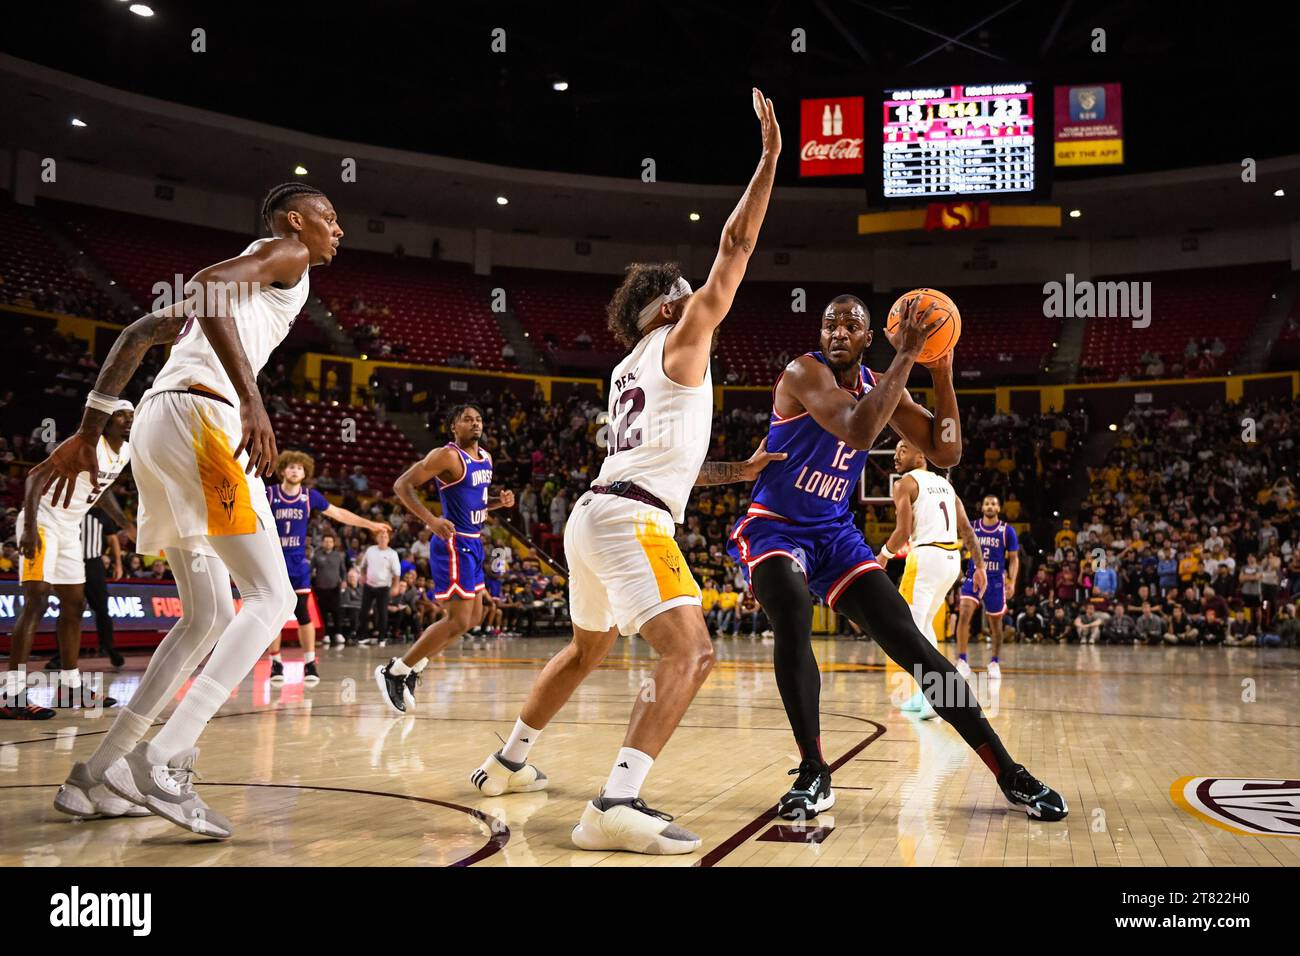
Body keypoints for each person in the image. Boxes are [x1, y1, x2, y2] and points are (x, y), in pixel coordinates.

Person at [470, 89, 785, 855]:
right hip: (630, 518)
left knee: (587, 650)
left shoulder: (628, 366)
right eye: (684, 290)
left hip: (599, 512)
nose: (697, 294)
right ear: (667, 306)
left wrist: (731, 472)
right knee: (694, 653)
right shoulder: (683, 337)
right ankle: (616, 801)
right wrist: (770, 159)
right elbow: (736, 248)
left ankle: (506, 762)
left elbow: (662, 459)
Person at [40, 181, 342, 836]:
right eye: (328, 217)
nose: (337, 229)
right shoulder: (285, 254)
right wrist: (252, 398)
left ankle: (97, 774)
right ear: (296, 222)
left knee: (207, 613)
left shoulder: (250, 285)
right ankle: (166, 756)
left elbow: (140, 332)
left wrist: (90, 431)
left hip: (155, 421)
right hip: (205, 416)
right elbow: (205, 282)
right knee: (273, 599)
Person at [727, 294, 1065, 825]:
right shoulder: (803, 373)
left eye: (851, 325)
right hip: (776, 526)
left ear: (868, 338)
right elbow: (860, 429)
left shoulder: (883, 384)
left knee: (909, 640)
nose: (839, 332)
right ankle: (814, 770)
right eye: (830, 324)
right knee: (791, 608)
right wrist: (907, 355)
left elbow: (947, 451)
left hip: (835, 535)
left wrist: (943, 368)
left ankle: (1008, 769)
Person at [374, 404, 514, 710]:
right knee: (457, 618)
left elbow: (475, 501)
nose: (475, 424)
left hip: (475, 541)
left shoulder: (486, 459)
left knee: (474, 618)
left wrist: (496, 504)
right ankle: (395, 671)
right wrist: (430, 520)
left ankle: (414, 666)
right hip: (453, 543)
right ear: (454, 426)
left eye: (479, 419)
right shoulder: (447, 455)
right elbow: (402, 485)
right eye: (467, 419)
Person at [8, 406, 133, 719]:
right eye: (121, 415)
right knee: (36, 601)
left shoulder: (125, 452)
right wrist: (28, 527)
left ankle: (69, 687)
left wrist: (123, 522)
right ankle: (11, 695)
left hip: (68, 528)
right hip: (43, 522)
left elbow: (100, 490)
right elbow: (34, 475)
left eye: (132, 414)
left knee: (75, 605)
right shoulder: (83, 443)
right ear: (105, 421)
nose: (129, 419)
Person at [881, 439, 983, 722]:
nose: (896, 455)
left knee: (908, 633)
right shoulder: (946, 485)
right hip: (951, 561)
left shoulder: (905, 483)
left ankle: (938, 697)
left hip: (925, 558)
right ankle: (926, 695)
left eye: (903, 449)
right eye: (896, 449)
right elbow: (966, 529)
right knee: (923, 626)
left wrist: (883, 555)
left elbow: (902, 533)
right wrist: (980, 567)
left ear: (921, 454)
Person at [264, 450, 387, 684]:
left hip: (298, 564)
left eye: (299, 468)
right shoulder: (269, 494)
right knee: (275, 616)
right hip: (274, 563)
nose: (294, 470)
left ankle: (310, 664)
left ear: (305, 473)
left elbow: (338, 513)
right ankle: (275, 664)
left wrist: (370, 524)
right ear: (282, 470)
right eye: (290, 466)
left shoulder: (309, 496)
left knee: (302, 613)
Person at [955, 495, 1019, 680]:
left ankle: (994, 662)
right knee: (964, 614)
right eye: (987, 504)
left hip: (995, 580)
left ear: (998, 508)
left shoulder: (1007, 530)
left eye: (993, 504)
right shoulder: (972, 527)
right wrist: (958, 572)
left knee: (995, 624)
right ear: (982, 507)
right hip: (974, 577)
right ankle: (962, 660)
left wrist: (1012, 581)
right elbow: (957, 550)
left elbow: (1014, 559)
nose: (990, 506)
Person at [358, 527, 401, 645]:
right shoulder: (370, 550)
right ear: (377, 538)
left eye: (385, 537)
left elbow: (397, 573)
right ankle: (363, 636)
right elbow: (363, 566)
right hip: (369, 585)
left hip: (384, 587)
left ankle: (382, 638)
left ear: (388, 539)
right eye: (381, 536)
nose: (383, 538)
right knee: (364, 611)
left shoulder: (392, 554)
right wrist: (362, 575)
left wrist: (396, 586)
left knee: (382, 613)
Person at [312, 533, 348, 645]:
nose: (328, 543)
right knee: (322, 613)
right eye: (326, 541)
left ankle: (338, 633)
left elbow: (343, 570)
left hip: (334, 588)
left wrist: (344, 581)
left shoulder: (338, 555)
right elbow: (311, 570)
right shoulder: (317, 556)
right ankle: (325, 635)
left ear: (333, 543)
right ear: (323, 543)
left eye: (330, 541)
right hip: (321, 589)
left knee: (336, 612)